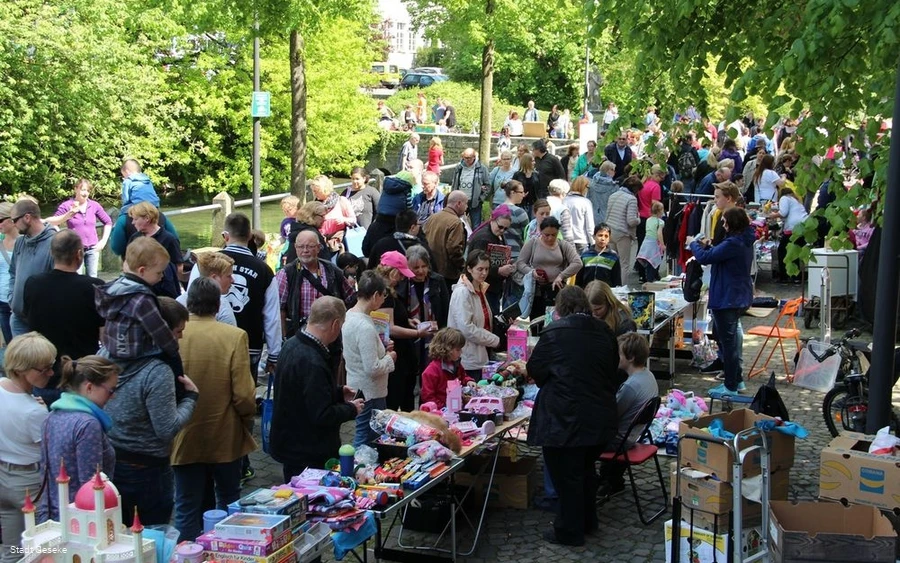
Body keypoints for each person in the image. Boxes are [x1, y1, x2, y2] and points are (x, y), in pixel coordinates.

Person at [527, 286, 619, 546]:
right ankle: (588, 521)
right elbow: (612, 370)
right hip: (599, 415)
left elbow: (536, 369)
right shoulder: (605, 332)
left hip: (565, 418)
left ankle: (569, 531)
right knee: (586, 471)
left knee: (567, 476)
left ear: (560, 309)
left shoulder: (554, 333)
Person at [103, 287, 200, 527]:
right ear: (161, 331)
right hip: (147, 470)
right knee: (151, 538)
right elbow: (166, 428)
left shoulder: (107, 353)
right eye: (178, 332)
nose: (180, 338)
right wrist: (191, 398)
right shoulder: (158, 371)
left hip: (112, 462)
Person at [171, 278, 256, 541]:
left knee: (185, 505)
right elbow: (243, 394)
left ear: (188, 304)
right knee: (229, 501)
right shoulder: (234, 336)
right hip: (225, 433)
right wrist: (246, 420)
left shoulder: (173, 337)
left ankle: (187, 555)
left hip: (184, 434)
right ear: (219, 305)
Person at [270, 297, 364, 482]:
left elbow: (301, 392)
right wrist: (351, 409)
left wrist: (337, 392)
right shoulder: (313, 360)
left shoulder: (291, 344)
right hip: (307, 452)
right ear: (336, 324)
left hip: (291, 443)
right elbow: (321, 415)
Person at [23, 230, 105, 406]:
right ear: (79, 254)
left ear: (52, 253)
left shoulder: (33, 284)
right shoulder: (94, 287)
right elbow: (105, 335)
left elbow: (26, 318)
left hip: (44, 373)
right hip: (82, 376)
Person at [41, 355, 119, 521]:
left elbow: (45, 474)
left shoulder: (51, 416)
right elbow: (92, 487)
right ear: (89, 387)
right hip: (81, 523)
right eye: (110, 390)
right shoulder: (88, 424)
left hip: (55, 516)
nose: (113, 396)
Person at [0, 332, 55, 563]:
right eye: (44, 369)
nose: (51, 373)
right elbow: (51, 450)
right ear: (22, 369)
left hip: (3, 476)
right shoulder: (34, 413)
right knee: (46, 549)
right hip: (31, 483)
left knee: (11, 551)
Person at [690, 207, 755, 396]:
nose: (723, 225)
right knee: (726, 339)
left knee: (729, 344)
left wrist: (694, 244)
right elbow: (717, 253)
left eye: (725, 222)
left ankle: (730, 386)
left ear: (733, 224)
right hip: (736, 295)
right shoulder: (742, 239)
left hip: (728, 297)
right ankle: (738, 380)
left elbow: (705, 258)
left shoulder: (734, 242)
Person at [95, 237, 180, 364]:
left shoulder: (115, 288)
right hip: (135, 354)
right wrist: (174, 350)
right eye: (159, 273)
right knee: (174, 360)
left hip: (113, 350)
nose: (162, 276)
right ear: (142, 271)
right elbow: (159, 331)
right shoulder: (141, 300)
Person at [597, 333, 660, 499]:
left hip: (619, 440)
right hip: (632, 435)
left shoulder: (631, 386)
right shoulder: (648, 376)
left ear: (630, 357)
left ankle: (597, 482)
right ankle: (610, 478)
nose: (615, 357)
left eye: (618, 354)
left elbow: (611, 415)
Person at [343, 271, 396, 447]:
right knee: (366, 437)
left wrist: (381, 349)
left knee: (367, 434)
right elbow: (372, 368)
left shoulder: (350, 314)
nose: (383, 300)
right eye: (383, 296)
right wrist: (390, 358)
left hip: (358, 386)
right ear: (375, 295)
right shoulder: (364, 325)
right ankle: (358, 470)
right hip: (369, 391)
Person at [375, 251, 433, 411]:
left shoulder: (390, 291)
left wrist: (408, 320)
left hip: (401, 356)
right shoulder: (384, 295)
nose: (402, 278)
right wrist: (417, 334)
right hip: (396, 356)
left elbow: (394, 318)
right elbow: (390, 328)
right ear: (391, 271)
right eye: (400, 274)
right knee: (396, 400)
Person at [278, 229, 356, 338]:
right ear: (295, 248)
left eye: (310, 246)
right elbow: (279, 309)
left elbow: (351, 300)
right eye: (300, 247)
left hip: (330, 335)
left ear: (319, 248)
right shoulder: (287, 274)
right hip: (300, 335)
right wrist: (284, 338)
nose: (305, 250)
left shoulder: (332, 270)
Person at [516, 217, 581, 322]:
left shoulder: (563, 245)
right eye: (546, 235)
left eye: (553, 235)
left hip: (556, 289)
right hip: (536, 291)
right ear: (541, 232)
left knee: (556, 320)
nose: (550, 238)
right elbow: (520, 263)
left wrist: (561, 276)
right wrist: (532, 272)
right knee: (537, 321)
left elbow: (578, 262)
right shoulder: (533, 243)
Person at [448, 251, 500, 380]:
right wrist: (495, 340)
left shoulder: (480, 288)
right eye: (480, 269)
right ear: (469, 269)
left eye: (487, 269)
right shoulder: (463, 293)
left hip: (480, 355)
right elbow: (466, 328)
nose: (484, 273)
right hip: (468, 358)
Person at [398, 245, 451, 372]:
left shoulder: (437, 281)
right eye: (416, 267)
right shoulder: (402, 282)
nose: (421, 271)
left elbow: (445, 309)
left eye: (424, 266)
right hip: (410, 336)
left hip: (434, 336)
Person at [7, 199, 55, 337]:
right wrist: (12, 298)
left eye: (14, 220)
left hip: (44, 320)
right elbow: (13, 273)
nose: (13, 225)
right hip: (18, 319)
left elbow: (59, 280)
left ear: (27, 217)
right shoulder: (20, 242)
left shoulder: (54, 242)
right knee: (20, 359)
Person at [47, 179, 112, 277]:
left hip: (92, 249)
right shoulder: (66, 206)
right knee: (76, 277)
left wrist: (103, 241)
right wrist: (61, 236)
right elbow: (54, 222)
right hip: (75, 248)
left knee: (93, 278)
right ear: (76, 189)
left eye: (88, 191)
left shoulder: (94, 205)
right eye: (83, 190)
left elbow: (108, 222)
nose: (85, 193)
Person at [361, 163, 423, 257]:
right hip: (394, 222)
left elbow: (365, 251)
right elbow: (409, 208)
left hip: (380, 219)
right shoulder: (406, 190)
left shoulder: (386, 188)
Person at [127, 202, 182, 298]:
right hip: (139, 289)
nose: (133, 222)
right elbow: (127, 262)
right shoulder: (134, 238)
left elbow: (179, 266)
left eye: (135, 219)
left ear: (147, 218)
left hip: (164, 290)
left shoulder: (169, 239)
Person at [467, 206, 515, 314]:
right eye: (500, 227)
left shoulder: (497, 234)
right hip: (484, 288)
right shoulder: (483, 238)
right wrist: (499, 270)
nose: (502, 231)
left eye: (506, 229)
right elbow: (476, 265)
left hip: (492, 287)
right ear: (492, 220)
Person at [420, 327, 476, 409]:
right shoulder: (431, 371)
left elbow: (463, 376)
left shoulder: (456, 364)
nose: (461, 352)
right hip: (440, 412)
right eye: (458, 350)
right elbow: (428, 397)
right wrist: (445, 407)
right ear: (447, 349)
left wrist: (469, 381)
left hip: (456, 407)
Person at [178, 251, 237, 326]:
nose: (233, 280)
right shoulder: (222, 305)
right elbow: (231, 336)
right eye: (229, 276)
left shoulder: (179, 302)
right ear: (214, 278)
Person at [424, 190, 468, 282]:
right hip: (447, 273)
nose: (466, 207)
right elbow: (454, 249)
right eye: (466, 204)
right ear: (459, 203)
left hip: (430, 268)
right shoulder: (456, 223)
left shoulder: (433, 217)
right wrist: (463, 266)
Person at [367, 209, 432, 271]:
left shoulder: (381, 244)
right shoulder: (421, 248)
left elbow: (370, 269)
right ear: (412, 228)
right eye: (418, 224)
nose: (419, 227)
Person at [606, 176, 641, 282]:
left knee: (611, 262)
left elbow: (607, 214)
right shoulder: (631, 199)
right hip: (623, 233)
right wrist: (638, 219)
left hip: (610, 230)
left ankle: (611, 286)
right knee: (624, 264)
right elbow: (631, 221)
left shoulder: (613, 195)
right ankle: (623, 289)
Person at [771, 186, 809, 283]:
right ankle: (797, 276)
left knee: (782, 250)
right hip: (803, 226)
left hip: (794, 228)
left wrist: (771, 215)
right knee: (795, 251)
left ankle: (784, 276)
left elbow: (783, 213)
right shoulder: (795, 201)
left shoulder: (784, 198)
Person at [310, 175, 356, 252]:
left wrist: (343, 219)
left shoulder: (341, 201)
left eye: (316, 191)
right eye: (313, 191)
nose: (314, 194)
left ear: (324, 189)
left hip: (336, 242)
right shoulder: (315, 204)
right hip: (319, 242)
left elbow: (353, 220)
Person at [451, 148, 491, 227]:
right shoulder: (458, 168)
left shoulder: (482, 168)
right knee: (457, 224)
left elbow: (488, 185)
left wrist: (481, 198)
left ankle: (475, 239)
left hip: (475, 202)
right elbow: (454, 183)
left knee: (476, 226)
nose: (467, 160)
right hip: (459, 201)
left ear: (474, 157)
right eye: (465, 157)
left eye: (469, 158)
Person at [284, 201, 331, 265]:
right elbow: (324, 261)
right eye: (322, 216)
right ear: (311, 216)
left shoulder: (296, 229)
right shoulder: (312, 235)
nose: (325, 219)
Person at [635, 201, 666, 283]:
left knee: (648, 261)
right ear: (659, 211)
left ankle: (648, 279)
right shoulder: (660, 222)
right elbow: (659, 233)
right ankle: (651, 279)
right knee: (654, 261)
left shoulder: (648, 220)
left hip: (646, 242)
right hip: (654, 243)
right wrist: (662, 244)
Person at [0, 202, 17, 345]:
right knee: (11, 346)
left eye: (0, 220)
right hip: (2, 301)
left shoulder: (25, 242)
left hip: (21, 300)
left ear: (11, 220)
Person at [564, 176, 595, 254]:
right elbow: (590, 226)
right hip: (581, 240)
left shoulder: (564, 200)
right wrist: (594, 243)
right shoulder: (586, 202)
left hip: (566, 239)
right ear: (585, 187)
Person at [638, 165, 665, 249]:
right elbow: (655, 203)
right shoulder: (656, 187)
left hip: (640, 216)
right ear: (656, 175)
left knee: (641, 245)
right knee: (650, 247)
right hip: (650, 218)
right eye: (661, 178)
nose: (662, 180)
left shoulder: (644, 182)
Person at [587, 161, 618, 227]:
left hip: (592, 216)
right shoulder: (614, 187)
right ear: (608, 171)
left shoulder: (591, 184)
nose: (614, 172)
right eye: (613, 170)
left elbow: (588, 199)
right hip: (607, 218)